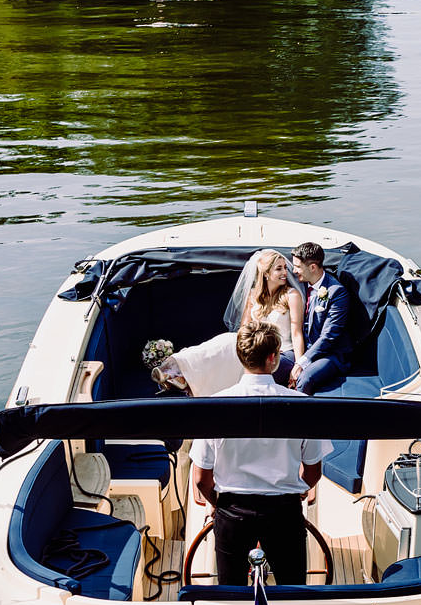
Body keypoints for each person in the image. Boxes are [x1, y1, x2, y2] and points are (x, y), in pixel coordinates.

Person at [190, 322, 330, 585]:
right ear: (273, 358)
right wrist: (298, 490)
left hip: (232, 512)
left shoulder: (213, 407)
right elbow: (313, 471)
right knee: (293, 590)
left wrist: (218, 504)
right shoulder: (302, 407)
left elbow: (200, 479)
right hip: (284, 513)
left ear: (241, 357)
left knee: (231, 593)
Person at [151, 250, 304, 394]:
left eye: (285, 268)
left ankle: (184, 376)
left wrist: (299, 364)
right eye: (279, 269)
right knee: (231, 339)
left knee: (232, 345)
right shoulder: (253, 295)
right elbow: (244, 330)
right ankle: (179, 367)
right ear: (265, 273)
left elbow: (297, 333)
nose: (285, 273)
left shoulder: (291, 295)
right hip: (255, 349)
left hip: (281, 352)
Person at [290, 242, 353, 393]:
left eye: (298, 267)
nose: (293, 270)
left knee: (304, 379)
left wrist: (301, 363)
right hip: (303, 349)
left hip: (329, 354)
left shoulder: (336, 292)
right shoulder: (301, 284)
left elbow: (329, 337)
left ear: (312, 267)